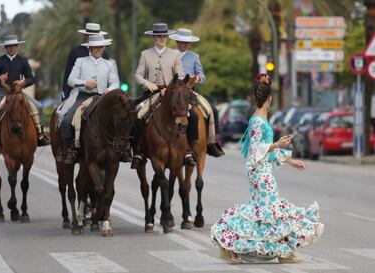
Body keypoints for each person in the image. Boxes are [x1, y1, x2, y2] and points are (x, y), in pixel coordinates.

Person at [211, 73, 324, 264]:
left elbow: (265, 150)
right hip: (259, 173)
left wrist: (290, 160)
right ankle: (232, 246)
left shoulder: (260, 119)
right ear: (269, 99)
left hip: (261, 170)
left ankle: (281, 251)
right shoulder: (257, 121)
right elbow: (256, 149)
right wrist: (277, 145)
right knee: (270, 211)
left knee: (267, 213)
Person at [132, 23, 195, 169]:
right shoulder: (145, 54)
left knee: (192, 116)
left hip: (171, 94)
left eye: (164, 36)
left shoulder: (175, 55)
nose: (162, 39)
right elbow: (137, 75)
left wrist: (171, 88)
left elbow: (179, 75)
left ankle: (187, 150)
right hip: (151, 94)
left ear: (167, 37)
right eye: (159, 36)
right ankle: (138, 152)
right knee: (137, 116)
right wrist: (147, 84)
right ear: (154, 37)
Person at [0, 35, 50, 150]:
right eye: (9, 46)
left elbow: (31, 79)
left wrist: (23, 83)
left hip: (18, 93)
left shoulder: (23, 60)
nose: (12, 48)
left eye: (14, 46)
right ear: (5, 48)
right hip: (1, 92)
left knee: (38, 106)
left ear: (17, 46)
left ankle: (40, 135)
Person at [60, 34, 120, 164]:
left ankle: (122, 148)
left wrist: (109, 90)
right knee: (67, 120)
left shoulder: (109, 64)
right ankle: (70, 149)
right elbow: (70, 80)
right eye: (95, 47)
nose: (98, 49)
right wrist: (84, 83)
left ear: (104, 48)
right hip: (83, 97)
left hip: (102, 98)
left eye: (100, 47)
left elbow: (115, 83)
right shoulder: (80, 61)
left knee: (121, 117)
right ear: (90, 48)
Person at [169, 28, 224, 157]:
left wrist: (197, 78)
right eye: (182, 42)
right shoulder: (169, 55)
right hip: (173, 92)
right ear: (177, 41)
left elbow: (203, 76)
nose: (185, 45)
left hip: (190, 92)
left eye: (187, 43)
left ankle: (212, 142)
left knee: (213, 110)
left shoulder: (194, 57)